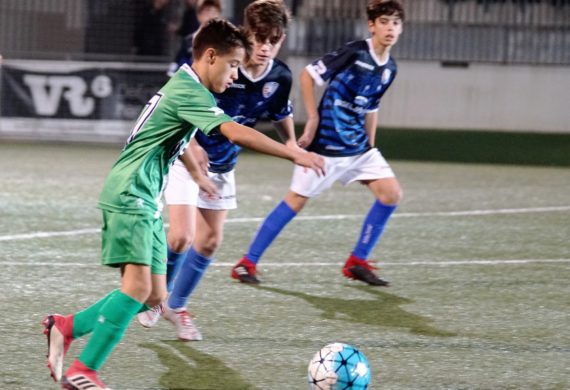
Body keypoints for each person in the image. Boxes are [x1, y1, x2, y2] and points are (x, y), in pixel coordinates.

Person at [42, 18, 324, 390]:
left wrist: (198, 173)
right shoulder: (191, 91)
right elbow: (234, 131)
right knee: (138, 288)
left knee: (155, 295)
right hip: (131, 193)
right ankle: (84, 371)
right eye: (233, 65)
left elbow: (177, 137)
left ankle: (65, 327)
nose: (237, 75)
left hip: (145, 195)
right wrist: (291, 154)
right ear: (210, 56)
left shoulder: (189, 90)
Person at [137, 0, 296, 341]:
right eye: (260, 38)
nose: (266, 46)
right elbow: (182, 97)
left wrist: (293, 143)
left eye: (275, 40)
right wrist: (190, 143)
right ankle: (154, 298)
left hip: (224, 164)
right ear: (246, 33)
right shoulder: (222, 61)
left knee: (209, 242)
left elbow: (280, 111)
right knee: (181, 236)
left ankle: (175, 307)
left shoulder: (280, 75)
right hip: (187, 157)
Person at [231, 0, 405, 286]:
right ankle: (246, 262)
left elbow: (372, 107)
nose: (390, 28)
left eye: (396, 23)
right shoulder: (355, 52)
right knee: (295, 202)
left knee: (391, 194)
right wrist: (312, 118)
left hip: (359, 148)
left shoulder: (390, 69)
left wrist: (369, 149)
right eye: (384, 21)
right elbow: (309, 75)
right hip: (326, 145)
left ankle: (357, 261)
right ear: (372, 25)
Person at [168, 0, 222, 76]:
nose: (210, 16)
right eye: (206, 12)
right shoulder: (189, 41)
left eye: (214, 12)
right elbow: (179, 65)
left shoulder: (226, 41)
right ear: (199, 16)